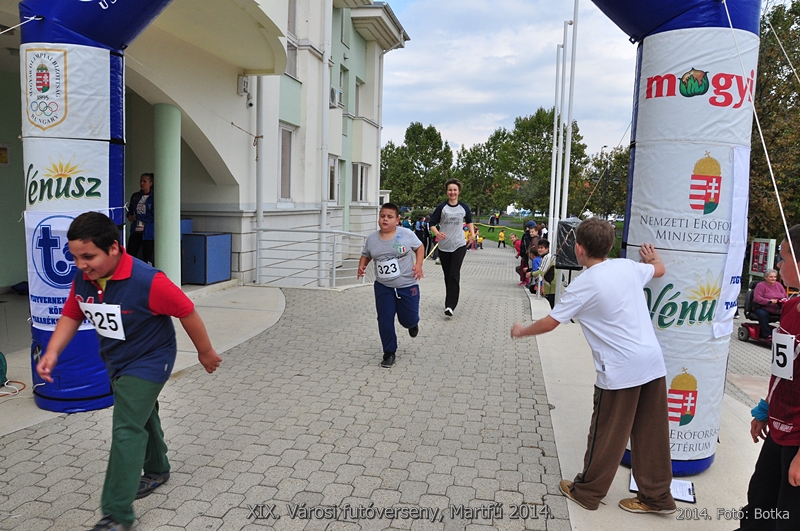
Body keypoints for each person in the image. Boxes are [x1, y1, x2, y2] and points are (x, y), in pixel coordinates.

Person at [35, 212, 222, 531]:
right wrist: (52, 352)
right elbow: (72, 313)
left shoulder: (148, 280)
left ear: (113, 247)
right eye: (76, 257)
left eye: (88, 256)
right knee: (141, 414)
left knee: (126, 427)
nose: (81, 265)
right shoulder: (84, 277)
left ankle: (117, 514)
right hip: (116, 358)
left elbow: (186, 311)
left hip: (151, 359)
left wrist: (205, 352)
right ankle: (158, 468)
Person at [510, 217, 676, 514]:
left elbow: (551, 322)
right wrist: (654, 259)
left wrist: (523, 331)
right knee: (652, 433)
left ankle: (587, 492)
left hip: (620, 370)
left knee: (607, 434)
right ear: (610, 246)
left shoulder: (584, 284)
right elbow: (659, 270)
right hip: (653, 363)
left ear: (579, 249)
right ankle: (657, 497)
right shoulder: (628, 267)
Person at [738, 226, 800, 531]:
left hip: (797, 439)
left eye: (784, 258)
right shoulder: (791, 307)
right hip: (778, 426)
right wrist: (765, 409)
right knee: (760, 500)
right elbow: (782, 373)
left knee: (788, 514)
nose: (778, 265)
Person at [358, 203, 424, 368]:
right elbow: (366, 255)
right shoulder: (372, 239)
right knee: (385, 318)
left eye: (389, 217)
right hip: (383, 286)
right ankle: (389, 352)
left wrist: (419, 265)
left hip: (407, 285)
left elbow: (419, 247)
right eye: (382, 216)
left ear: (397, 220)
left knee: (407, 320)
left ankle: (412, 323)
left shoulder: (406, 234)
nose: (385, 220)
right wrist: (362, 266)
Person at [430, 178, 474, 317]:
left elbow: (469, 221)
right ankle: (449, 300)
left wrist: (472, 235)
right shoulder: (442, 207)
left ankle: (450, 305)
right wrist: (437, 233)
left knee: (454, 274)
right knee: (447, 275)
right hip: (444, 246)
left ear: (459, 191)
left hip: (459, 245)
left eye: (455, 190)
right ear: (447, 192)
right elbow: (432, 223)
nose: (452, 192)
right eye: (450, 190)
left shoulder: (464, 207)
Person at [126, 173, 155, 265]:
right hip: (136, 230)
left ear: (150, 183)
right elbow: (130, 210)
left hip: (148, 232)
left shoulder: (154, 197)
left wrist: (139, 217)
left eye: (144, 181)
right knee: (130, 254)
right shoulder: (136, 196)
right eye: (141, 181)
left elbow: (153, 215)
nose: (142, 183)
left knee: (148, 257)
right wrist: (130, 216)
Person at [752, 268, 786, 339]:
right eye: (771, 277)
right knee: (762, 314)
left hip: (777, 308)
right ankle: (767, 334)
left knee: (788, 314)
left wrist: (783, 300)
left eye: (775, 277)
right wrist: (769, 301)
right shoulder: (760, 286)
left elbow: (785, 296)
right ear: (765, 277)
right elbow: (757, 298)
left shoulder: (779, 285)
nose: (773, 279)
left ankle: (785, 333)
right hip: (764, 307)